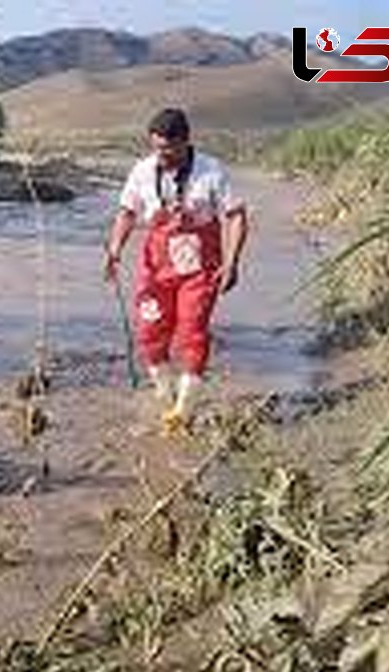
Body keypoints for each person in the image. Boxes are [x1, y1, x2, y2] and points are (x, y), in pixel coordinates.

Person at [102, 108, 249, 434]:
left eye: (168, 150)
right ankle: (164, 393)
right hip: (157, 267)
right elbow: (127, 213)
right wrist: (114, 250)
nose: (162, 157)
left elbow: (236, 216)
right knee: (149, 333)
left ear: (185, 142)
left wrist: (232, 261)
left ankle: (184, 408)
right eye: (156, 149)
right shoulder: (142, 171)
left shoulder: (212, 171)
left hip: (200, 268)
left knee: (192, 331)